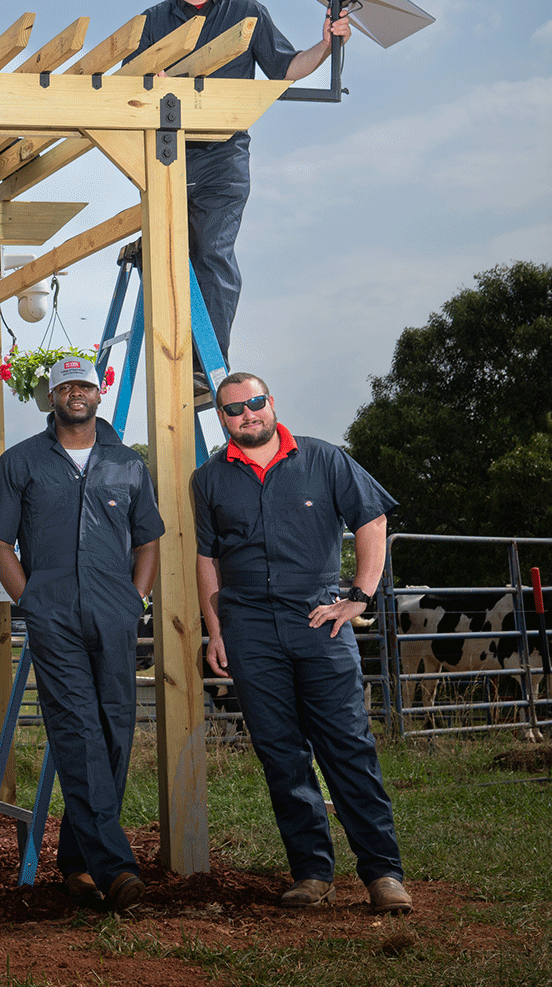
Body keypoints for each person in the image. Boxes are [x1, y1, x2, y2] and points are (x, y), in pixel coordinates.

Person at [190, 372, 412, 914]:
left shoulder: (324, 459)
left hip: (319, 622)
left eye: (256, 403)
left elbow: (373, 518)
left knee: (348, 747)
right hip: (248, 629)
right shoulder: (208, 480)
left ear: (272, 403)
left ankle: (382, 873)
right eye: (235, 409)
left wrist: (359, 596)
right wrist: (216, 631)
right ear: (221, 418)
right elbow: (207, 559)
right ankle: (312, 871)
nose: (248, 415)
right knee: (281, 755)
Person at [0, 357, 163, 911]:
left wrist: (136, 598)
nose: (75, 393)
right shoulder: (22, 462)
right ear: (50, 396)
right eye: (64, 386)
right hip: (54, 616)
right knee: (77, 727)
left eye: (84, 385)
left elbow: (148, 538)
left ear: (99, 393)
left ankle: (78, 863)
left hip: (114, 615)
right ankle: (116, 867)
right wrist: (28, 599)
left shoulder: (128, 464)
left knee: (115, 730)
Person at [132, 0, 350, 363]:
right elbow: (126, 94)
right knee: (170, 256)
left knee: (213, 254)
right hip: (164, 156)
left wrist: (326, 45)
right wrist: (146, 85)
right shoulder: (151, 21)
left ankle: (206, 363)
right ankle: (171, 358)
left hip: (223, 158)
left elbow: (285, 68)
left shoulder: (247, 13)